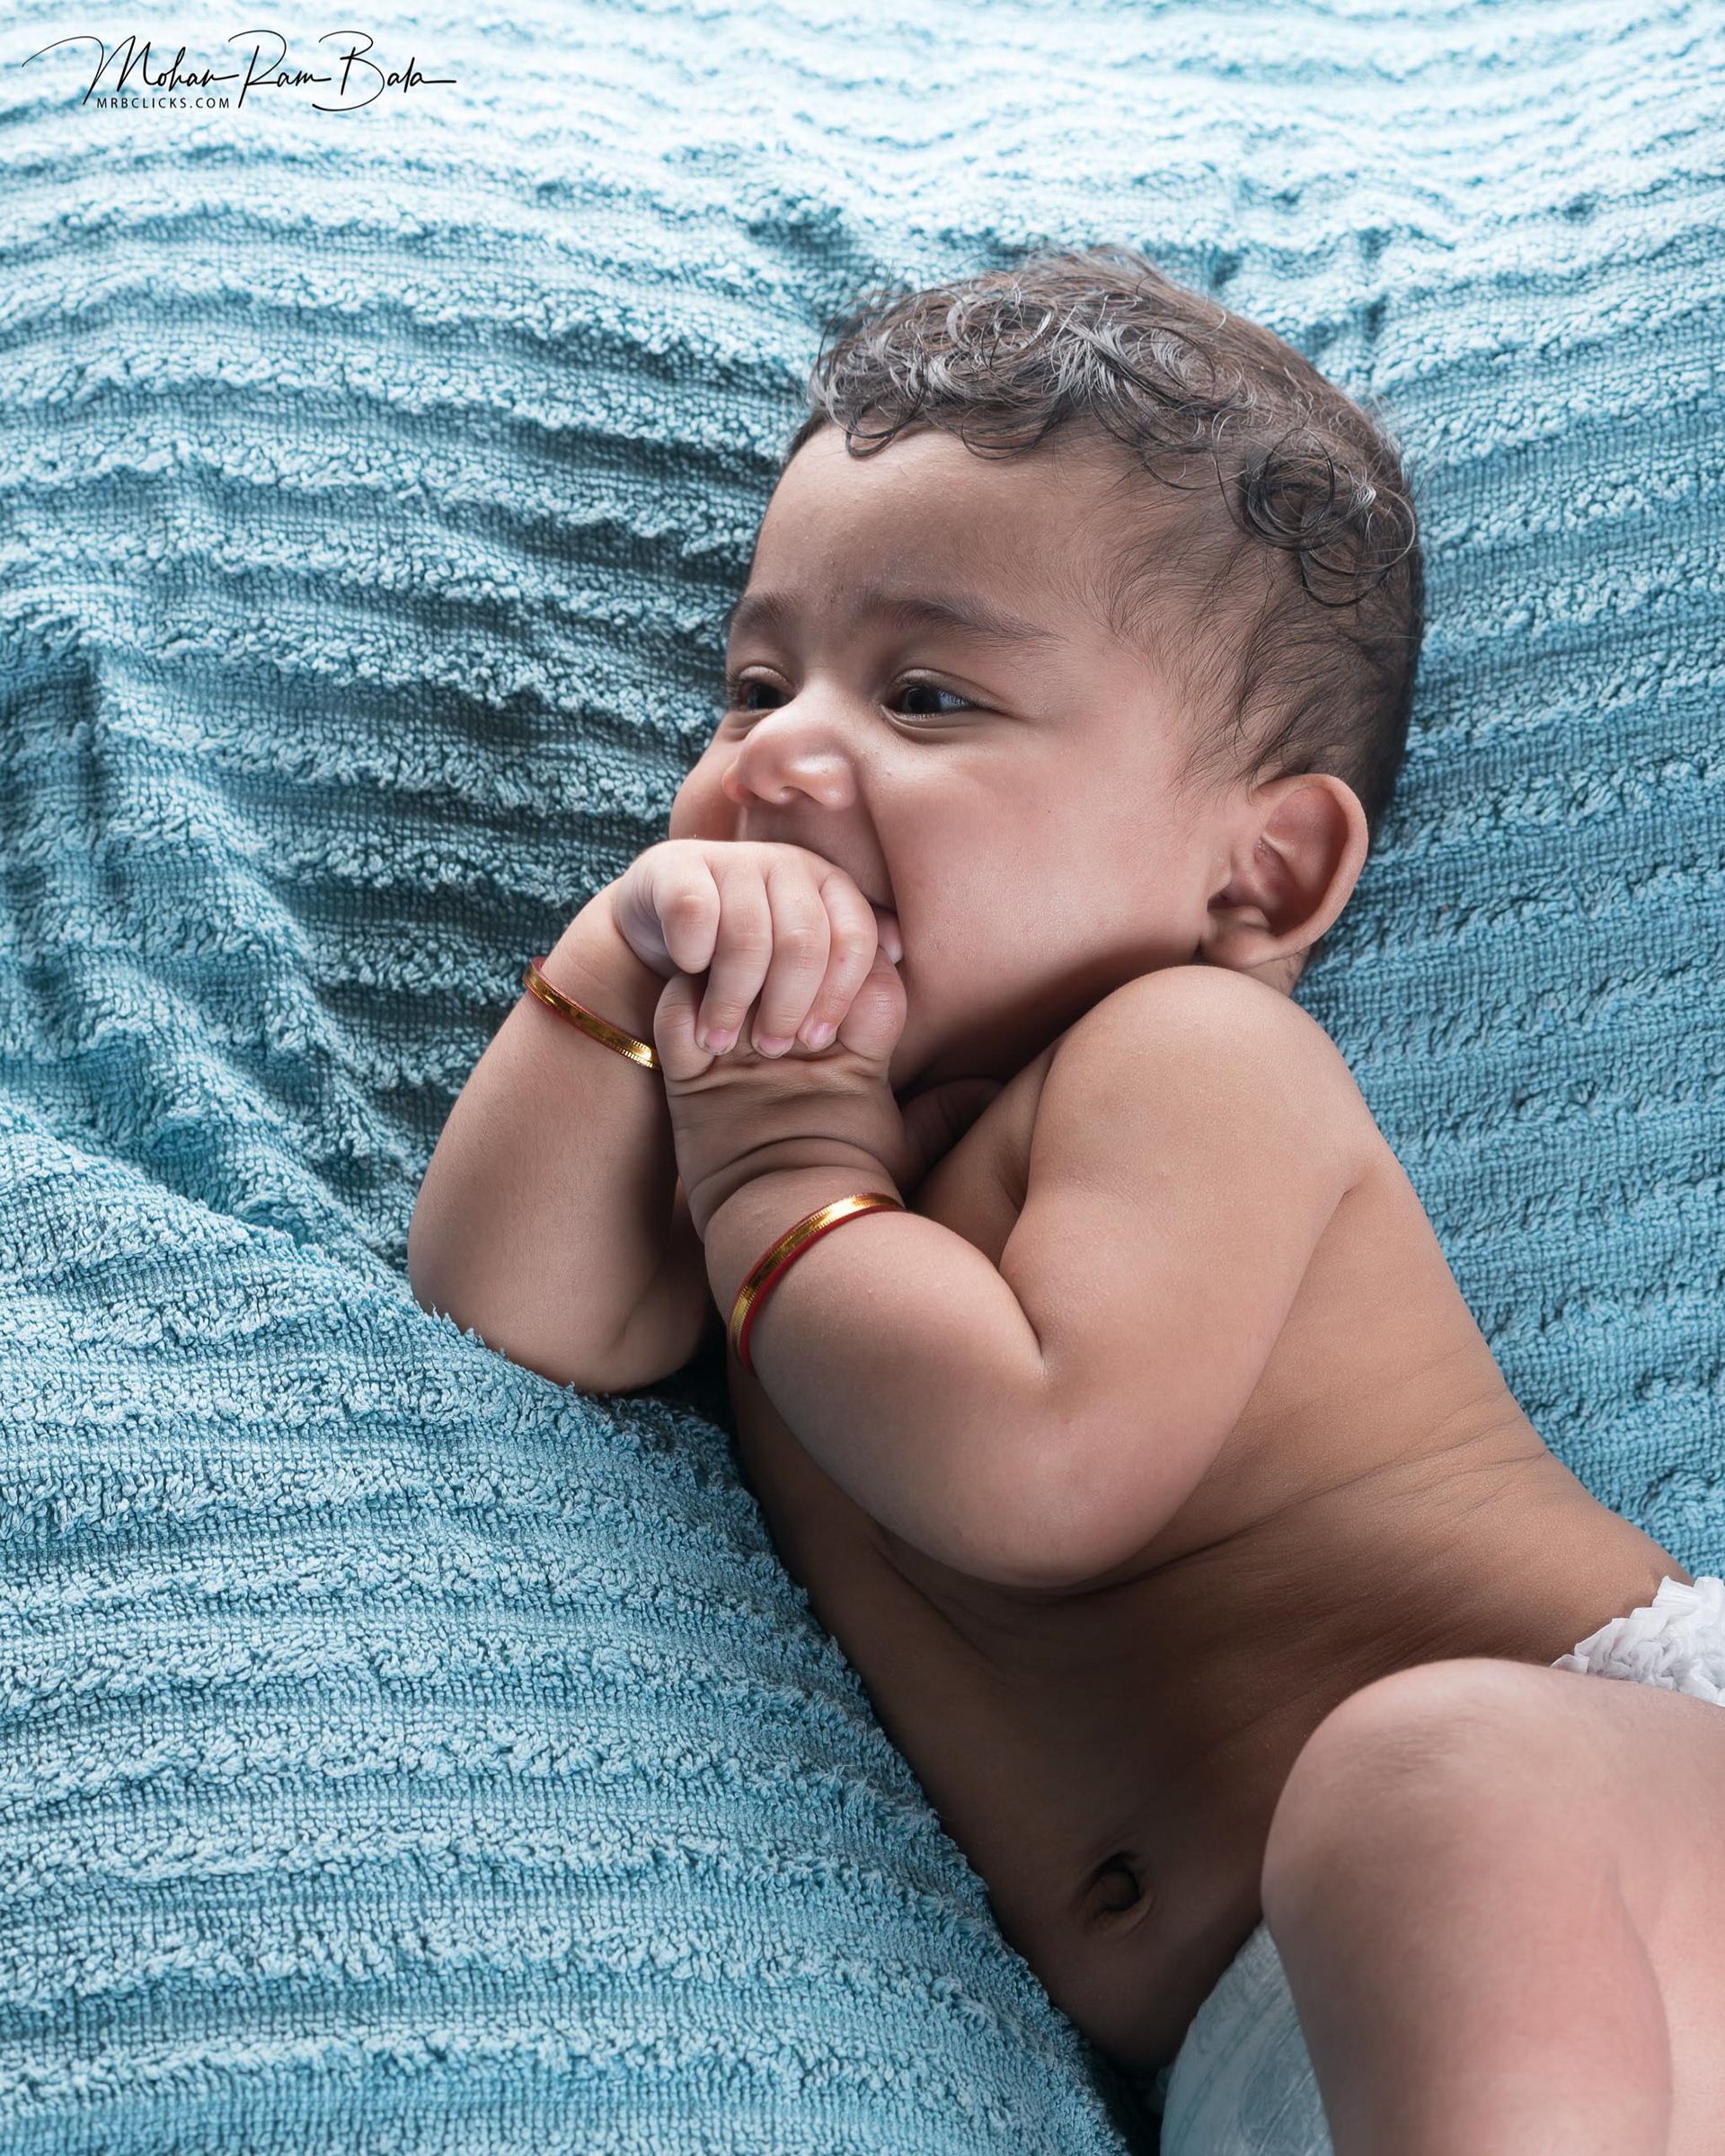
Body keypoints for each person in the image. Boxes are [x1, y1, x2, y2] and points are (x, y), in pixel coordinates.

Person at [408, 245, 1725, 2152]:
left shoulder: (1183, 1058)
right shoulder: (796, 1209)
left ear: (1260, 879)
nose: (778, 757)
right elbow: (508, 1318)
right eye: (753, 687)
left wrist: (781, 1166)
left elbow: (1043, 1462)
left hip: (1607, 1835)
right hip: (1286, 2057)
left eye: (927, 695)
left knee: (1426, 1776)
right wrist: (627, 958)